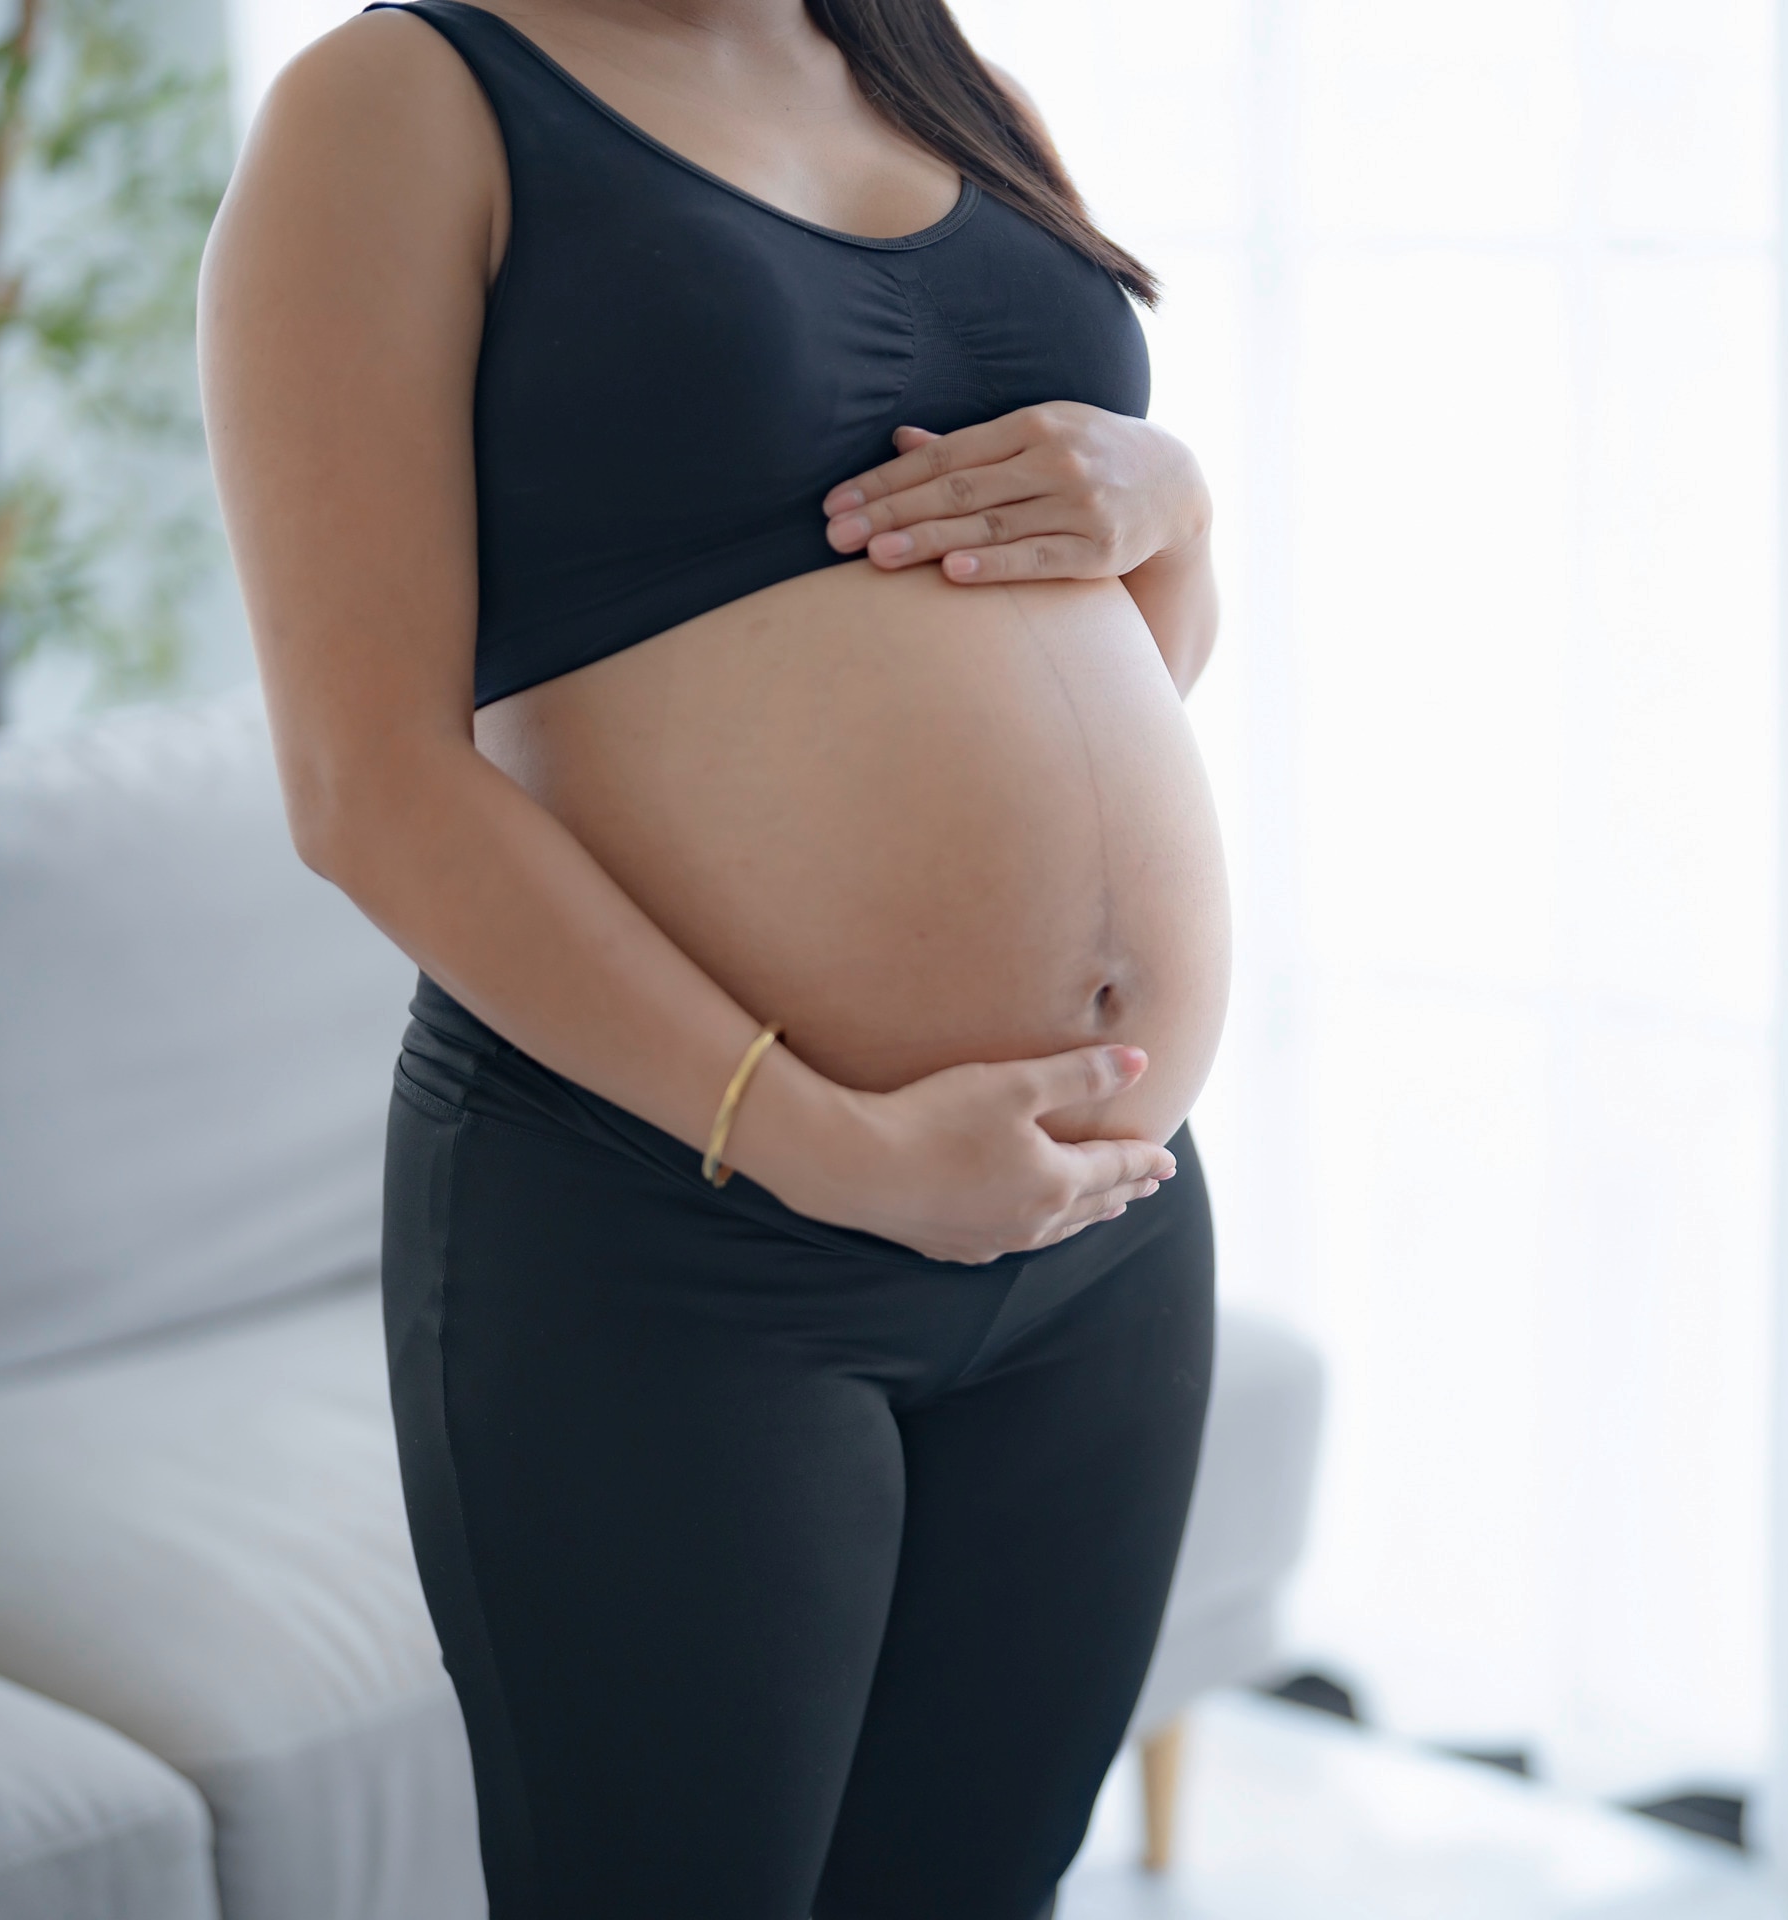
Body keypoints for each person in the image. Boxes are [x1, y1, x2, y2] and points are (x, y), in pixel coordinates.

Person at [199, 1, 1230, 1911]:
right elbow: (365, 780)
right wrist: (841, 1148)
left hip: (1100, 1230)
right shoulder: (402, 104)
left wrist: (1173, 507)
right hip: (673, 1247)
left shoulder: (949, 82)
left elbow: (1109, 648)